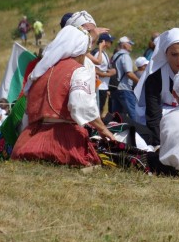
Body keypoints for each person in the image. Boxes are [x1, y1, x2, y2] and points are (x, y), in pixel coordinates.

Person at [11, 26, 115, 166]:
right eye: (86, 51)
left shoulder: (41, 71)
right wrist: (102, 129)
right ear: (80, 50)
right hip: (62, 144)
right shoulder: (78, 71)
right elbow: (80, 105)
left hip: (29, 142)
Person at [110, 36, 141, 123]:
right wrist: (140, 82)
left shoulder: (115, 56)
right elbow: (129, 73)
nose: (131, 46)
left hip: (115, 88)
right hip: (124, 88)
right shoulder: (125, 56)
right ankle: (138, 132)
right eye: (129, 44)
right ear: (124, 45)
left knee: (117, 115)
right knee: (134, 113)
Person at [92, 33, 116, 115]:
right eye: (110, 41)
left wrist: (110, 70)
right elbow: (94, 70)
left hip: (104, 85)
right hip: (99, 87)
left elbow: (102, 68)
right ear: (104, 42)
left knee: (101, 108)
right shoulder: (98, 53)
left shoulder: (103, 53)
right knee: (97, 109)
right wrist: (108, 74)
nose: (111, 43)